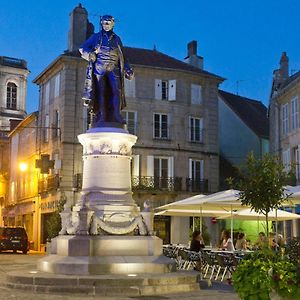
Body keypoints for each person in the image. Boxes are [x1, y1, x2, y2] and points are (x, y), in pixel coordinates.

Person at [79, 15, 134, 127]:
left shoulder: (117, 39)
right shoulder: (96, 37)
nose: (106, 25)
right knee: (101, 91)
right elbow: (82, 48)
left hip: (114, 68)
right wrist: (90, 54)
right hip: (100, 68)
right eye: (104, 23)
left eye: (108, 22)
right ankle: (102, 115)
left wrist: (128, 69)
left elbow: (123, 56)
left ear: (113, 23)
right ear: (101, 23)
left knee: (116, 91)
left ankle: (116, 114)